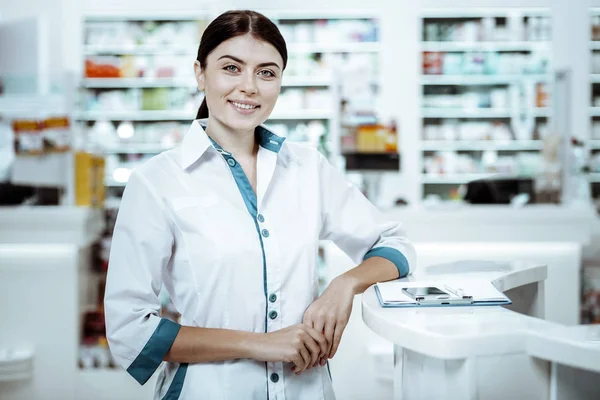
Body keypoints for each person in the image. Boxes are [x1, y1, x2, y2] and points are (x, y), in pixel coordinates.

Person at [104, 9, 416, 400]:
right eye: (231, 68)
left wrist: (344, 285)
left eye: (266, 72)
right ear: (200, 74)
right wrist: (261, 343)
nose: (249, 86)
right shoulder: (156, 182)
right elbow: (129, 329)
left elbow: (396, 247)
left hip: (306, 389)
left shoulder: (306, 167)